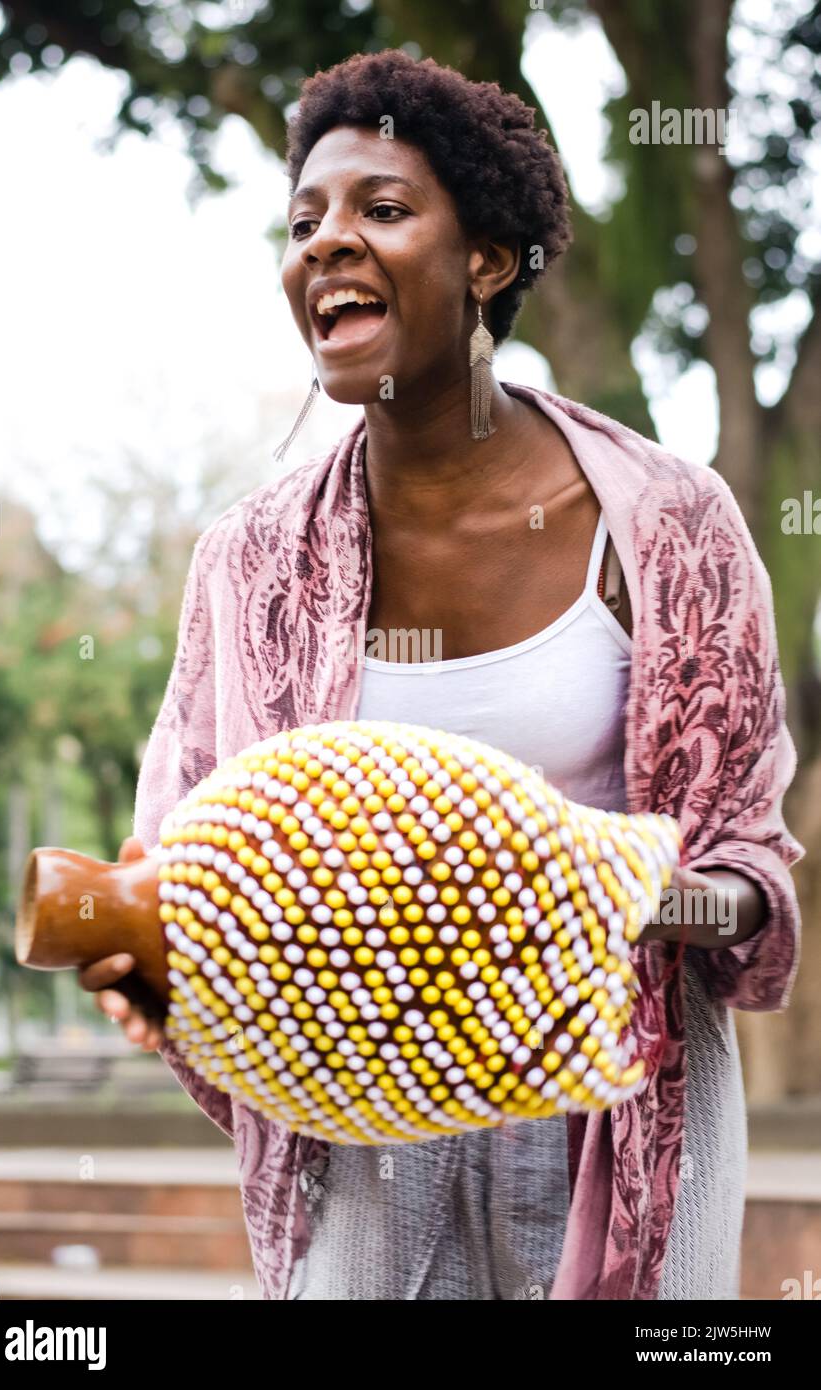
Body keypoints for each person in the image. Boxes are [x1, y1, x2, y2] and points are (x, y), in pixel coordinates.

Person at [78, 49, 802, 1300]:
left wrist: (608, 897)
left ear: (485, 259)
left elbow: (746, 865)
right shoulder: (251, 564)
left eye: (382, 209)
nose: (326, 245)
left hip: (617, 1098)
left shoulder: (668, 525)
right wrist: (146, 954)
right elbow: (172, 859)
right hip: (359, 1125)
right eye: (303, 223)